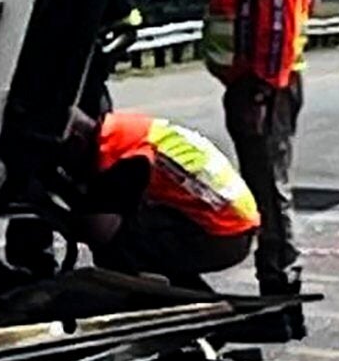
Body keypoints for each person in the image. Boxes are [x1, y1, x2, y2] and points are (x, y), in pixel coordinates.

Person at [202, 0, 312, 300]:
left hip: (264, 86)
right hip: (247, 84)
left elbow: (278, 25)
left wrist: (262, 91)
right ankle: (272, 275)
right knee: (258, 182)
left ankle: (279, 280)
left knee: (269, 184)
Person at [73, 108, 262, 282]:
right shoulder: (128, 131)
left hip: (224, 234)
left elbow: (98, 231)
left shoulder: (126, 156)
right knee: (139, 218)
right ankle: (177, 288)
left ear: (77, 140)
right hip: (231, 221)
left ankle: (154, 297)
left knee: (116, 243)